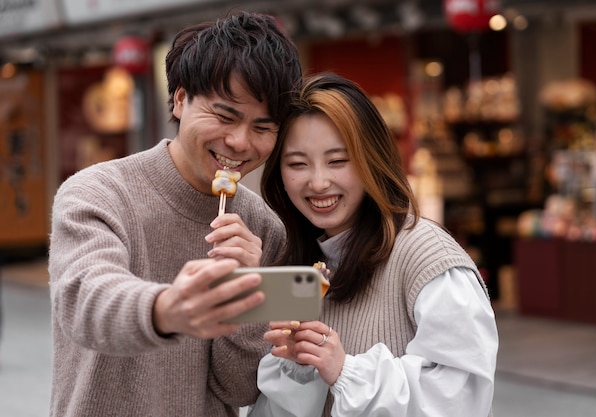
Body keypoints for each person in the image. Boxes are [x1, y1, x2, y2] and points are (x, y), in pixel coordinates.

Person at [48, 11, 302, 417]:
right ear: (181, 100)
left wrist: (251, 295)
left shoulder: (263, 230)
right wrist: (168, 308)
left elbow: (240, 388)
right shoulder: (98, 193)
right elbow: (84, 304)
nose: (239, 142)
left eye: (262, 127)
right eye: (225, 116)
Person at [248, 73, 498, 417]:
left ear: (372, 159)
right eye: (297, 164)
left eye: (338, 161)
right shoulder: (302, 261)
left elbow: (460, 399)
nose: (318, 182)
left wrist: (344, 370)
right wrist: (300, 367)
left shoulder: (427, 256)